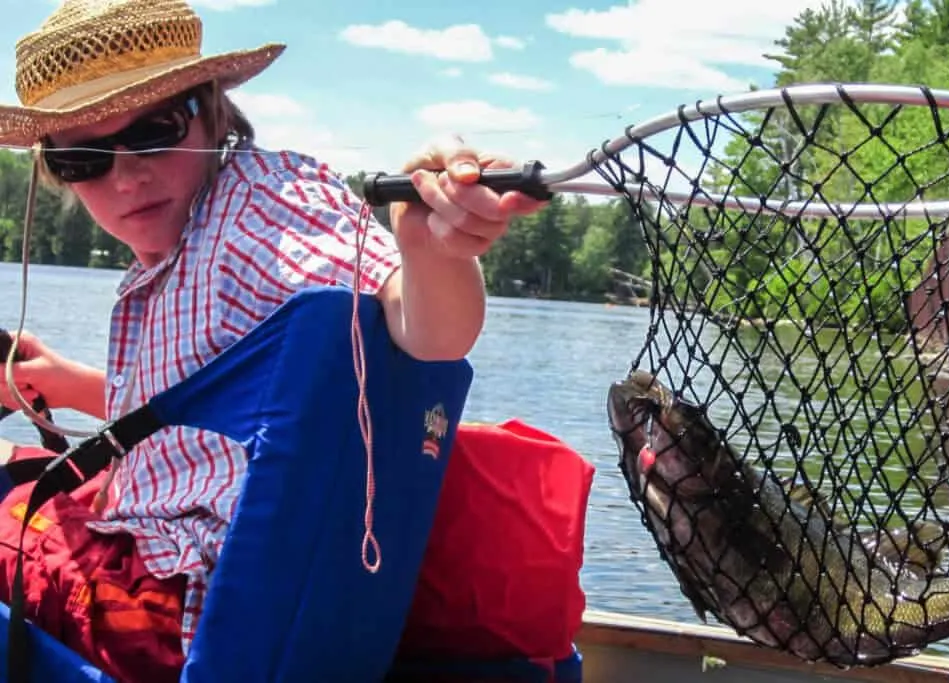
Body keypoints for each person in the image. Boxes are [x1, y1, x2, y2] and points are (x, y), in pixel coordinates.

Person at [0, 0, 545, 681]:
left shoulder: (263, 209)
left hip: (179, 614)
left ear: (213, 113)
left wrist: (430, 249)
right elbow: (205, 411)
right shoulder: (188, 241)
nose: (126, 176)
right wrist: (62, 382)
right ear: (56, 168)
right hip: (187, 565)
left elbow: (424, 334)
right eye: (84, 156)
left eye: (154, 131)